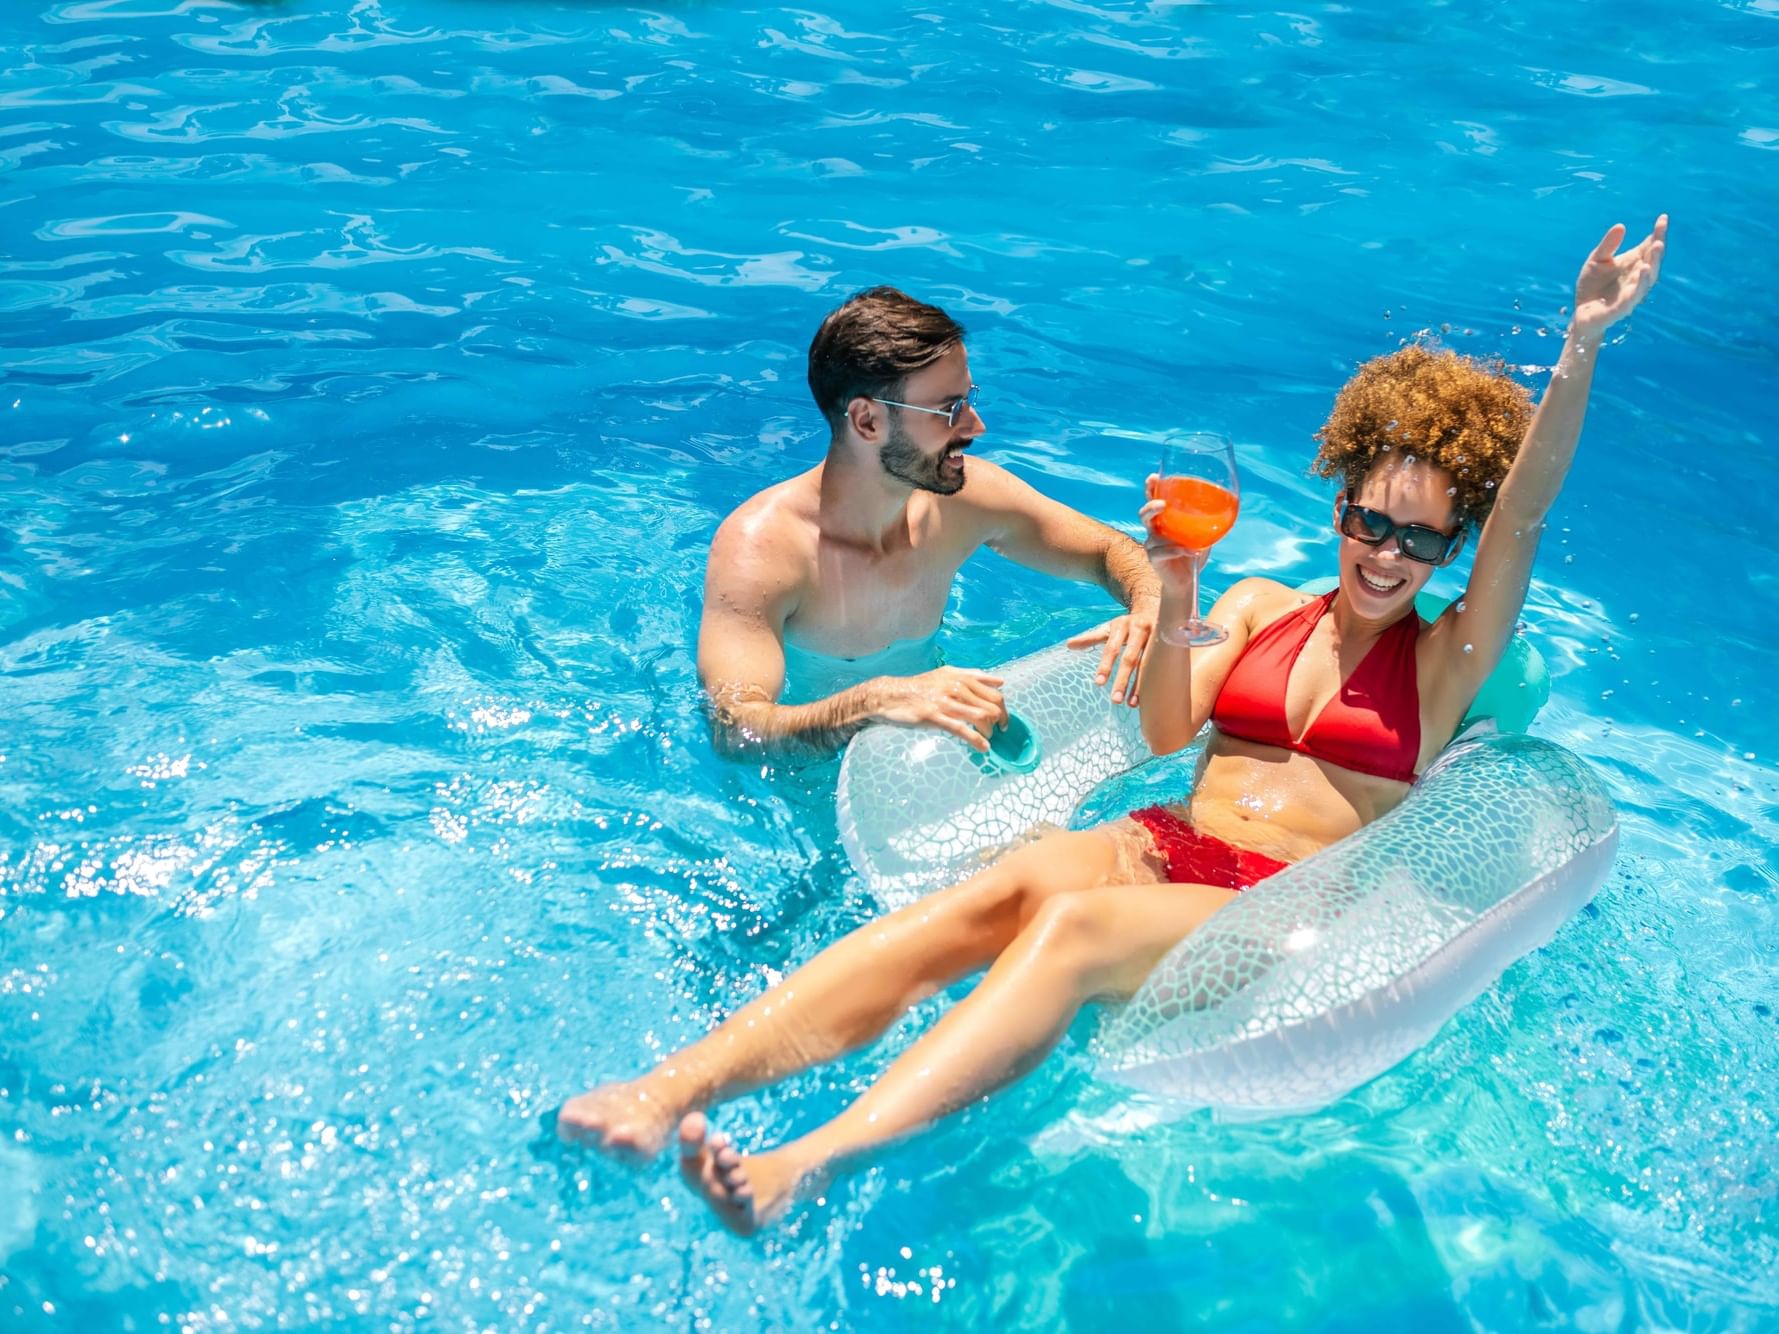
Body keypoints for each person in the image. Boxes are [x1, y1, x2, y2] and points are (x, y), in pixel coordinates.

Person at [559, 218, 1667, 1233]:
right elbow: (1170, 723)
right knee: (999, 889)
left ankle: (808, 1159)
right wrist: (1176, 587)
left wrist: (1582, 341)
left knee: (1072, 932)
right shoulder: (1260, 607)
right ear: (1336, 505)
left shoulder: (1447, 652)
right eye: (1371, 521)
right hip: (1166, 842)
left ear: (1451, 551)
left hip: (1276, 900)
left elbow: (1526, 504)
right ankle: (669, 1087)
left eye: (1421, 540)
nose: (1388, 554)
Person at [699, 285, 1160, 761]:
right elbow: (735, 729)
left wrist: (1149, 609)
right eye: (948, 410)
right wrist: (871, 701)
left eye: (969, 399)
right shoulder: (764, 550)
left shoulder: (965, 500)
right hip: (820, 777)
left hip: (938, 740)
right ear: (867, 422)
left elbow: (1109, 552)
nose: (974, 426)